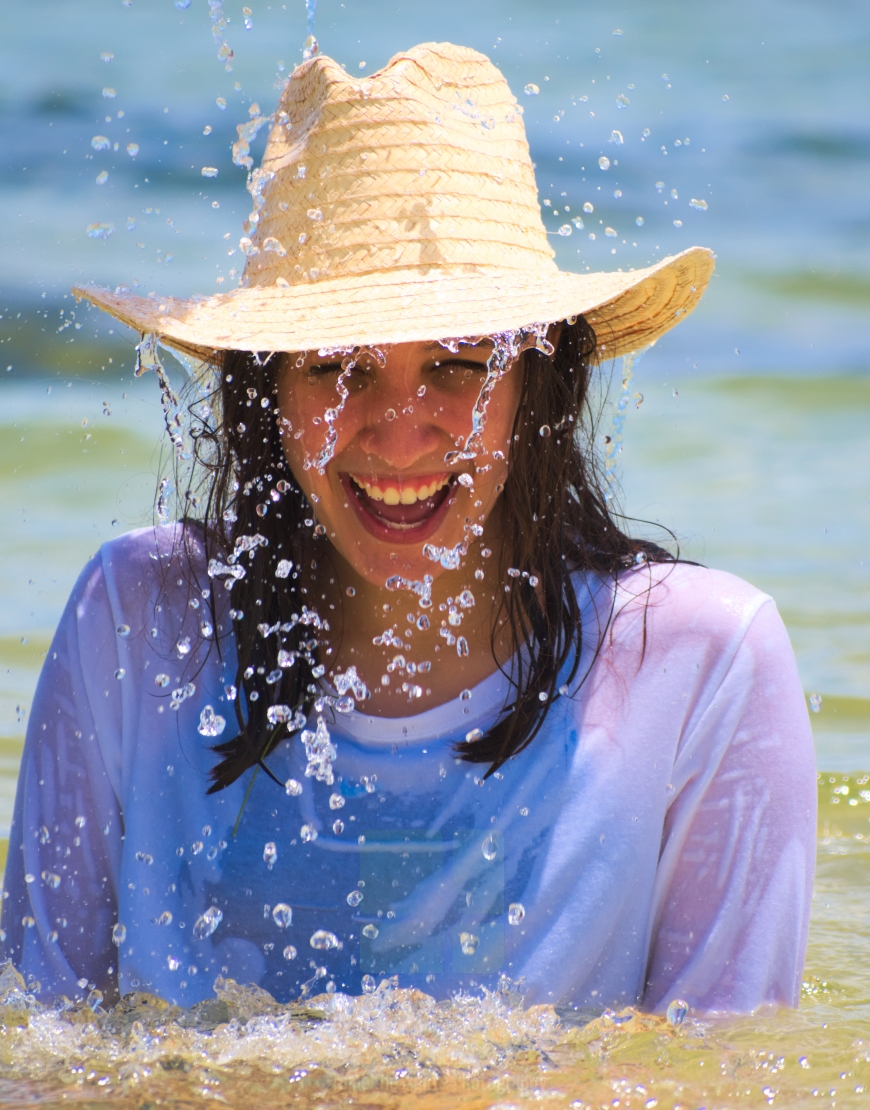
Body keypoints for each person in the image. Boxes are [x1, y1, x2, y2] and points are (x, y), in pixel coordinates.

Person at [1, 42, 816, 1016]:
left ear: (537, 381)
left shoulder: (700, 667)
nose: (396, 430)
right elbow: (35, 1046)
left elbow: (721, 1085)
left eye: (460, 364)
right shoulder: (136, 620)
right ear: (265, 390)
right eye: (336, 365)